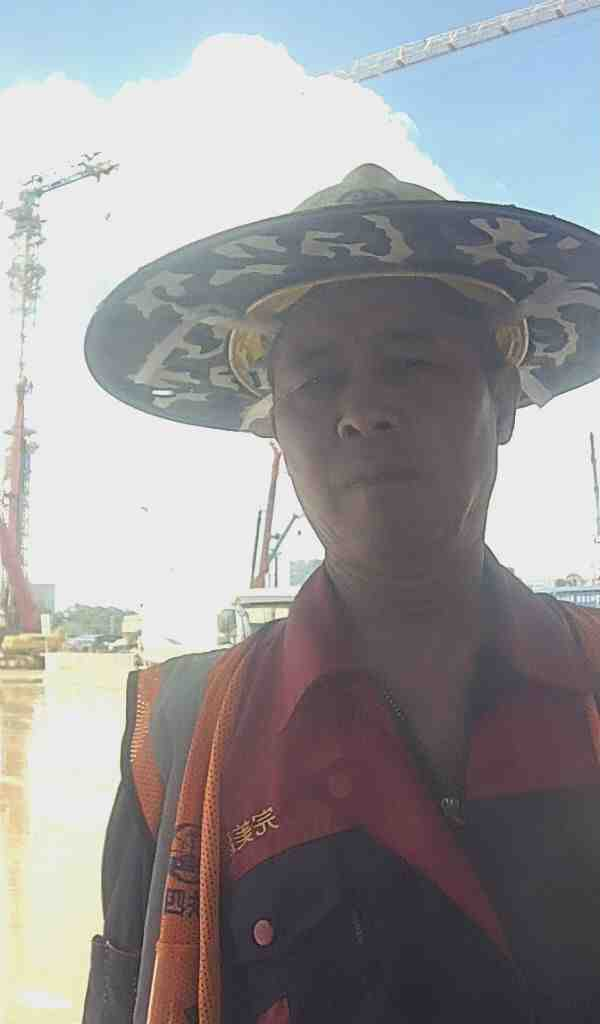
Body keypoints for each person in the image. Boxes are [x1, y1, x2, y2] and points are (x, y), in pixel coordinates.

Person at [82, 164, 600, 1024]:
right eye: (317, 380)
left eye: (412, 362)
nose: (362, 410)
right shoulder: (172, 741)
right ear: (276, 433)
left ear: (504, 402)